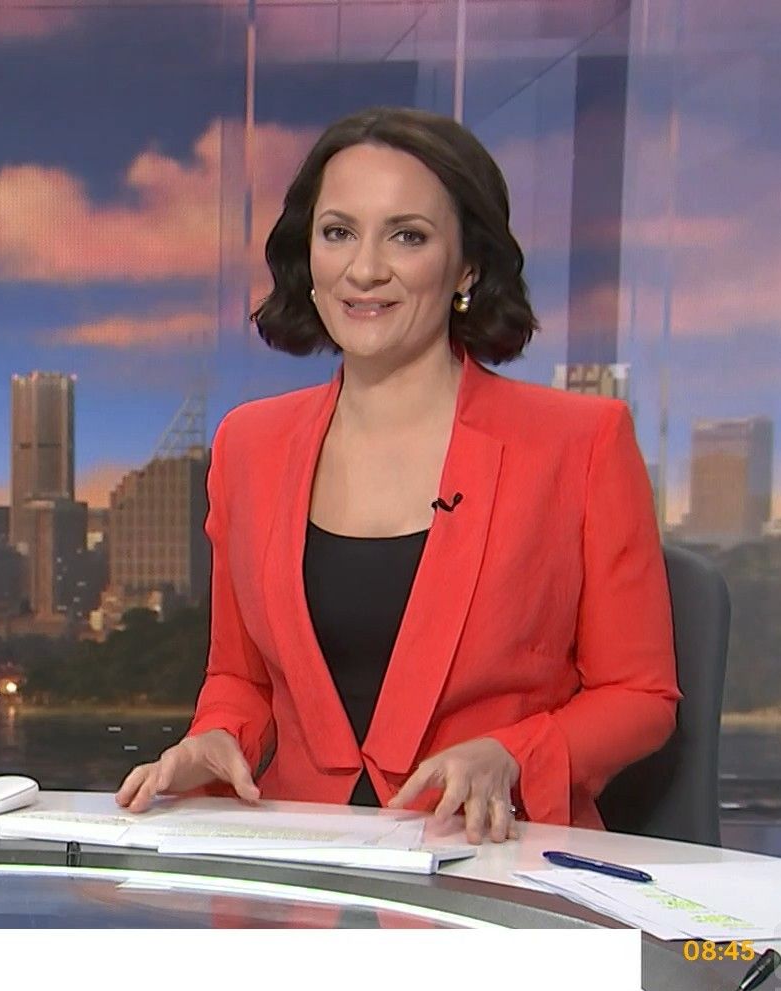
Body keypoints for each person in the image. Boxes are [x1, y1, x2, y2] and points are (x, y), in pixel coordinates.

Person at [116, 107, 677, 841]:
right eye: (338, 232)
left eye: (407, 236)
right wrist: (218, 735)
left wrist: (511, 754)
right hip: (300, 855)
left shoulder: (581, 441)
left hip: (493, 853)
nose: (364, 269)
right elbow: (240, 679)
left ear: (467, 265)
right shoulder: (248, 444)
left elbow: (639, 696)